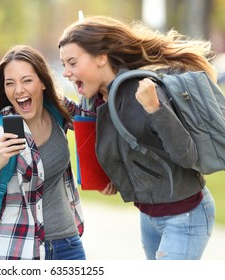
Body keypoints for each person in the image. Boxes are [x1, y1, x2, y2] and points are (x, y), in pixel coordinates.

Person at [58, 15, 216, 260]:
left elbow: (187, 155)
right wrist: (115, 178)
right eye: (64, 65)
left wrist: (156, 109)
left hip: (186, 215)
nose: (66, 72)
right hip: (149, 217)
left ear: (101, 57)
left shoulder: (144, 89)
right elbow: (124, 143)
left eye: (72, 62)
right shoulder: (98, 98)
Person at [0, 45, 85, 260]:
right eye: (10, 83)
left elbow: (93, 121)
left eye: (26, 80)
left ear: (43, 83)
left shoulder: (57, 109)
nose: (18, 90)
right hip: (19, 250)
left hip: (69, 244)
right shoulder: (0, 129)